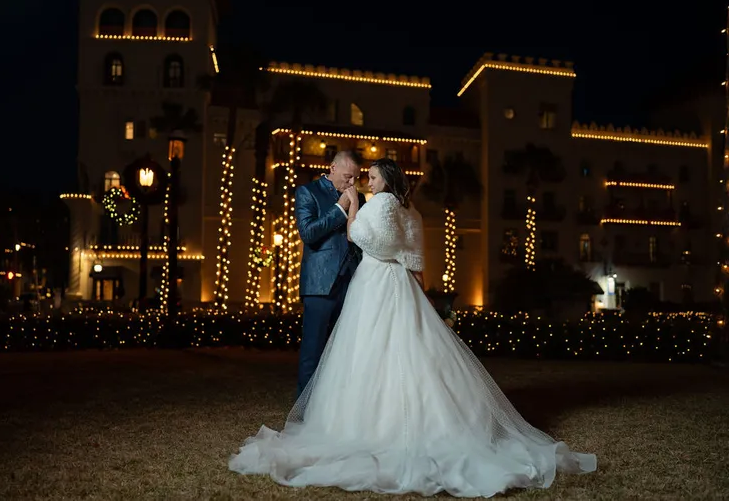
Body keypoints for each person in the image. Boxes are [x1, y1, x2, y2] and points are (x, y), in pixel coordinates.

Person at [229, 158, 597, 498]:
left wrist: (353, 211)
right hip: (398, 283)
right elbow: (414, 254)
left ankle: (370, 426)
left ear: (386, 180)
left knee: (372, 350)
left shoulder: (382, 203)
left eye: (371, 176)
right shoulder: (410, 209)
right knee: (410, 347)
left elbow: (373, 242)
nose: (365, 181)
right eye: (363, 176)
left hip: (377, 283)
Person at [292, 150, 365, 397]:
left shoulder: (360, 197)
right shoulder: (307, 192)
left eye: (356, 178)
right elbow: (308, 233)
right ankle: (304, 411)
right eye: (348, 177)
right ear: (332, 168)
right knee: (313, 350)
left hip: (353, 283)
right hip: (320, 284)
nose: (352, 184)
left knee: (344, 352)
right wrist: (340, 208)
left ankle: (335, 409)